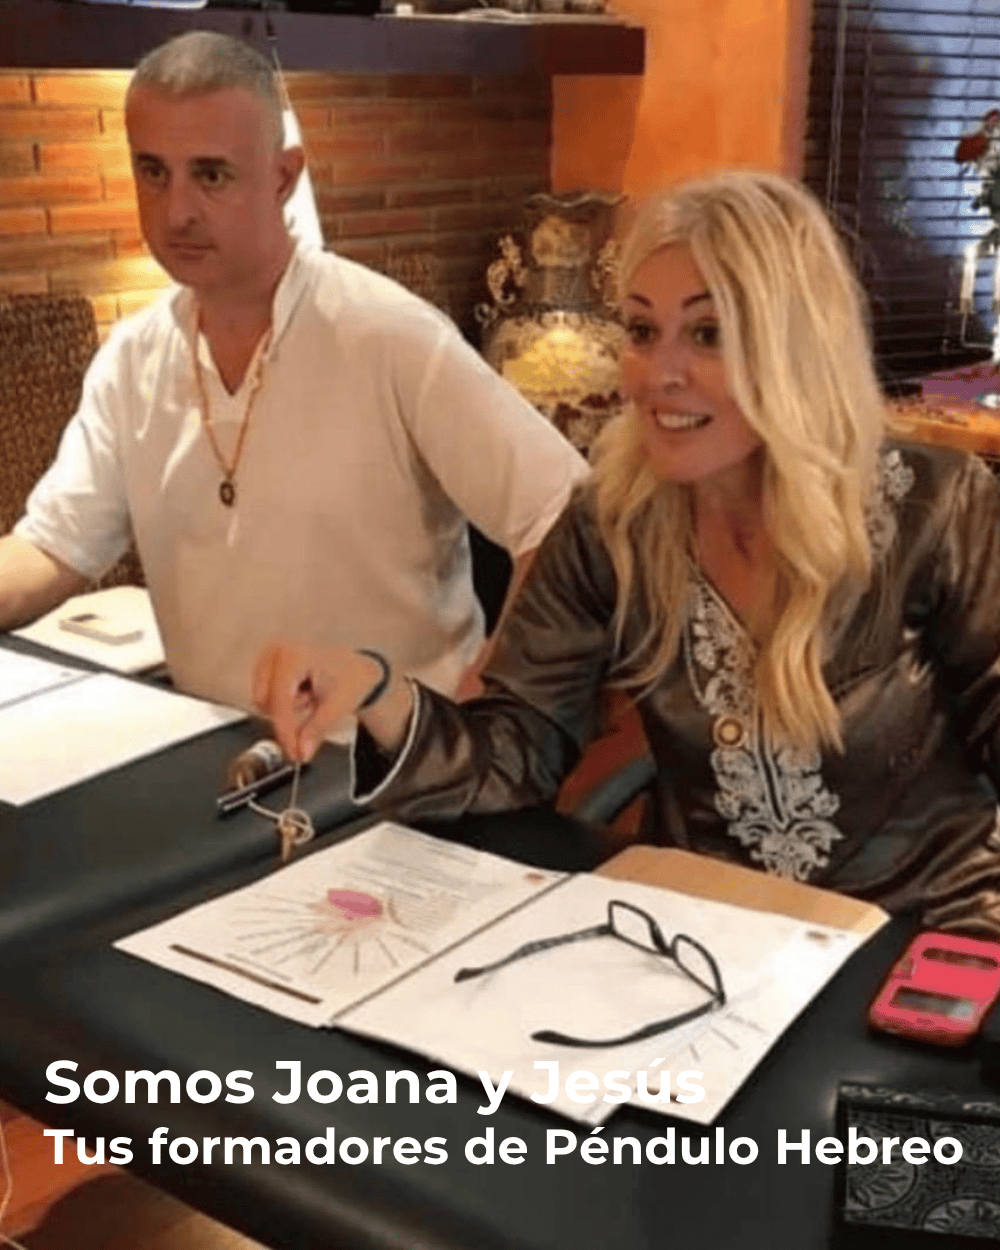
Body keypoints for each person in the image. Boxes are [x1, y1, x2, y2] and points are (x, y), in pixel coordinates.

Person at [255, 169, 1000, 936]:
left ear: (796, 348)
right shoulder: (611, 522)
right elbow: (515, 750)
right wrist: (378, 691)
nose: (657, 375)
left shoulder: (936, 508)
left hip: (921, 939)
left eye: (707, 334)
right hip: (706, 934)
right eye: (643, 331)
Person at [0, 31, 587, 713]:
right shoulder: (132, 360)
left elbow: (566, 516)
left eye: (211, 175)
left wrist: (491, 706)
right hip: (215, 750)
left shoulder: (391, 337)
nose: (177, 210)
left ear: (283, 177)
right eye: (153, 172)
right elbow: (52, 548)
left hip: (389, 760)